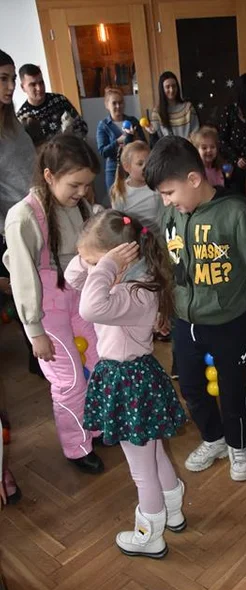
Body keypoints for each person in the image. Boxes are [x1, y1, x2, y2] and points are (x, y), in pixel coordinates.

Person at [144, 136, 246, 482]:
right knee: (191, 388)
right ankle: (214, 439)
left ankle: (239, 444)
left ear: (194, 179)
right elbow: (167, 266)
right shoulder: (170, 215)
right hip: (185, 320)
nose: (165, 201)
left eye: (168, 192)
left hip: (231, 322)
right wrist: (164, 306)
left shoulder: (235, 214)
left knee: (234, 390)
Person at [65, 211, 187, 558]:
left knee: (141, 469)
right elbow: (73, 278)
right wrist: (94, 260)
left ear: (119, 258)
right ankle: (173, 512)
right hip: (138, 378)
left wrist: (104, 265)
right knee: (154, 451)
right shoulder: (137, 280)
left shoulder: (131, 294)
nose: (89, 269)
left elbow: (89, 307)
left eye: (95, 262)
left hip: (126, 382)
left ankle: (150, 534)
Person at [3, 134, 103, 474]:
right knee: (70, 381)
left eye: (86, 186)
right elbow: (22, 278)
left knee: (98, 362)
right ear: (48, 176)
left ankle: (98, 428)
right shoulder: (22, 217)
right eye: (74, 185)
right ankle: (76, 446)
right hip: (46, 312)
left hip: (79, 300)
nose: (81, 194)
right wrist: (34, 332)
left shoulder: (82, 206)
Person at [0, 50, 40, 376]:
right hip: (13, 227)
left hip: (37, 213)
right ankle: (39, 357)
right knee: (28, 291)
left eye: (13, 78)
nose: (11, 85)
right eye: (3, 79)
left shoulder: (13, 122)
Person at [16, 64, 88, 142]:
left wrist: (71, 132)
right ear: (23, 87)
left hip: (70, 152)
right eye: (33, 85)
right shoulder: (21, 117)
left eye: (41, 82)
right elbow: (25, 148)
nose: (39, 88)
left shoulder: (60, 100)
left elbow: (83, 127)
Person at [96, 87, 146, 191]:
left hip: (134, 169)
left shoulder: (133, 121)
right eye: (114, 103)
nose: (118, 106)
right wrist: (118, 141)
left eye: (121, 102)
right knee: (117, 203)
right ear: (107, 105)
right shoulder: (103, 125)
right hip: (113, 171)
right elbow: (103, 152)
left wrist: (135, 137)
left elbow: (144, 145)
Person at [110, 140, 164, 234]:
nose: (145, 167)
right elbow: (119, 224)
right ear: (127, 167)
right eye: (140, 164)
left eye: (148, 163)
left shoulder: (157, 186)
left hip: (159, 239)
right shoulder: (119, 191)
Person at [149, 71, 199, 139]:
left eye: (174, 86)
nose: (171, 90)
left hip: (187, 148)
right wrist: (152, 132)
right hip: (167, 149)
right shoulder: (157, 111)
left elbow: (196, 131)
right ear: (162, 89)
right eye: (167, 87)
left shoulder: (188, 107)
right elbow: (157, 141)